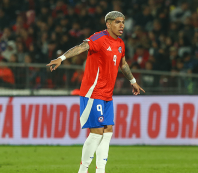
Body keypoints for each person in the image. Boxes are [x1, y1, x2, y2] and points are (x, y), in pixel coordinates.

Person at [47, 11, 145, 173]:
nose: (122, 25)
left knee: (107, 133)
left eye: (123, 22)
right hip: (93, 93)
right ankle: (83, 170)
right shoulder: (99, 38)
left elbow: (123, 64)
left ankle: (100, 170)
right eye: (117, 22)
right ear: (108, 24)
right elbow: (81, 47)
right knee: (97, 133)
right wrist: (61, 58)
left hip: (107, 95)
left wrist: (133, 81)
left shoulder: (120, 43)